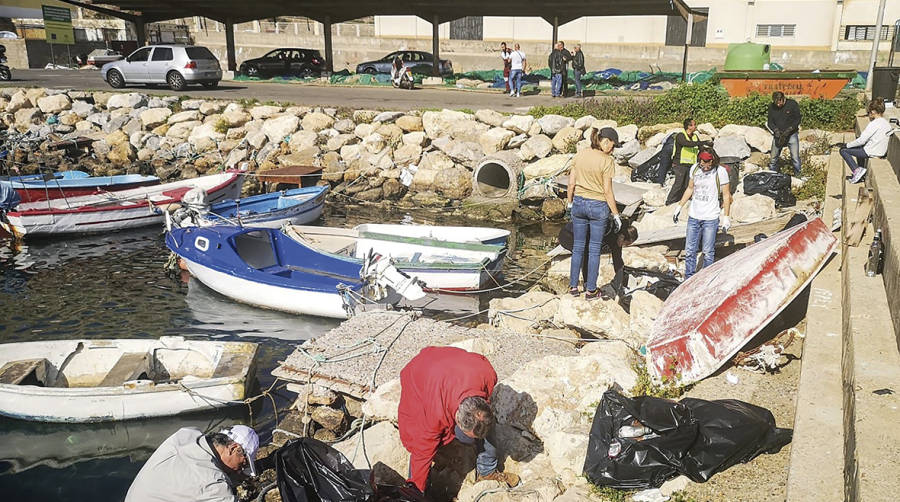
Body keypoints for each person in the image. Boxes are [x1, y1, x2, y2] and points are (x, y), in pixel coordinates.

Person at [398, 346, 519, 494]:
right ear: (457, 420)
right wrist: (414, 493)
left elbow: (482, 420)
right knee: (422, 442)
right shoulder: (434, 413)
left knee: (487, 429)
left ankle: (487, 471)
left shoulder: (487, 375)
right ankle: (418, 489)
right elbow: (421, 453)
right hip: (420, 371)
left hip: (453, 365)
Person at [125, 425, 259, 502]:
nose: (241, 470)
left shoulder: (185, 436)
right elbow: (210, 484)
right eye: (243, 464)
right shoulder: (212, 483)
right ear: (233, 449)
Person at [566, 127, 623, 299]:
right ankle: (591, 290)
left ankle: (573, 287)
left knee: (577, 247)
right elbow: (607, 191)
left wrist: (570, 203)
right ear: (605, 141)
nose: (612, 150)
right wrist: (616, 215)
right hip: (598, 206)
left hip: (579, 203)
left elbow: (571, 183)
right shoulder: (607, 161)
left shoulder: (580, 154)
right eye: (612, 146)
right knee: (594, 249)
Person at [672, 148, 733, 280]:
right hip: (694, 216)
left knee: (708, 252)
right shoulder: (694, 169)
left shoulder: (720, 172)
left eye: (708, 164)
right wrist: (679, 206)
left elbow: (727, 195)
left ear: (713, 160)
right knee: (690, 251)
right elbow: (690, 188)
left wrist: (726, 217)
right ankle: (688, 278)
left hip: (710, 218)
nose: (705, 167)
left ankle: (705, 279)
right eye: (702, 163)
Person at [557, 219, 638, 298]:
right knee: (586, 255)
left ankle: (585, 287)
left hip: (580, 236)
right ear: (622, 237)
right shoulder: (609, 229)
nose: (624, 246)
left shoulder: (617, 239)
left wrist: (623, 281)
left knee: (587, 253)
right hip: (568, 234)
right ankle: (586, 288)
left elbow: (618, 262)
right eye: (626, 244)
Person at [840, 97, 892, 184]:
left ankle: (856, 170)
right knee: (858, 147)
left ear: (873, 112)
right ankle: (861, 170)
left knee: (843, 151)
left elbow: (862, 140)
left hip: (871, 151)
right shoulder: (886, 123)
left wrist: (846, 145)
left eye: (869, 112)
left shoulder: (874, 124)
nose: (869, 114)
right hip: (880, 151)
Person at [665, 118, 710, 205]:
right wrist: (701, 142)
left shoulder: (695, 136)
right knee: (679, 183)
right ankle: (669, 201)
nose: (695, 126)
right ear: (689, 126)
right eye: (693, 125)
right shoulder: (680, 136)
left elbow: (700, 148)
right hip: (679, 164)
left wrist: (707, 148)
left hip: (691, 165)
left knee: (687, 185)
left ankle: (683, 200)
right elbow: (687, 144)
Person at [767, 91, 803, 176]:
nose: (778, 105)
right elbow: (770, 122)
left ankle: (798, 175)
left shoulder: (792, 104)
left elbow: (797, 119)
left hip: (791, 134)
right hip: (778, 135)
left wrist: (790, 129)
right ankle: (772, 175)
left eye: (780, 103)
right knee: (773, 158)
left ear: (783, 99)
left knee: (795, 158)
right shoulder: (771, 107)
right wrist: (775, 130)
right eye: (776, 103)